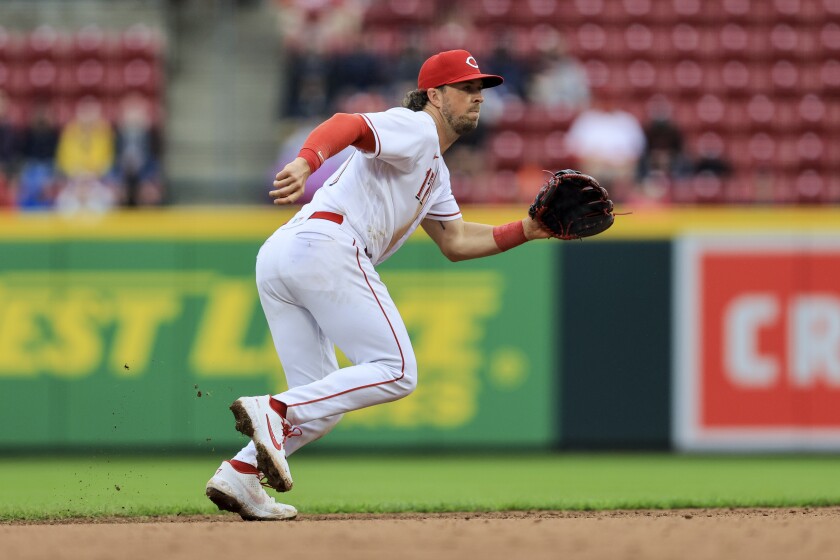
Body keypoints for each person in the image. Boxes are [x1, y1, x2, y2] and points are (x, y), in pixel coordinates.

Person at [205, 49, 554, 521]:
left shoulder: (436, 169)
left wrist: (527, 230)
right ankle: (273, 409)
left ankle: (240, 475)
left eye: (480, 90)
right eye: (465, 89)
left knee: (321, 405)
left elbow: (455, 241)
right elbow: (348, 124)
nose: (477, 99)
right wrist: (309, 160)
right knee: (396, 369)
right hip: (328, 244)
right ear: (434, 94)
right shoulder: (416, 128)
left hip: (285, 254)